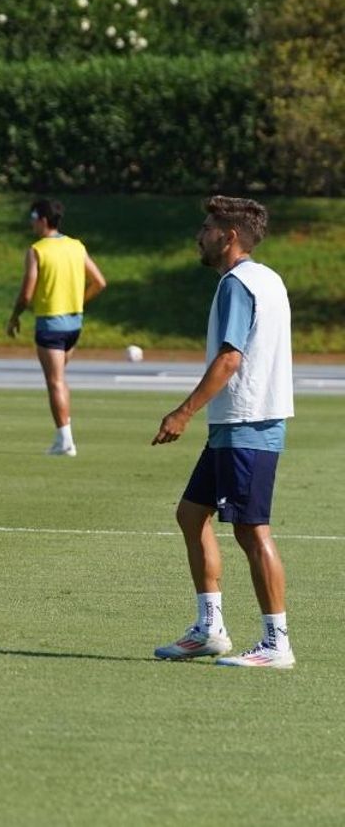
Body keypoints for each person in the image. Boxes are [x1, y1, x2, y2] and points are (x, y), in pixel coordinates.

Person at [151, 196, 295, 669]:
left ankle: (277, 643)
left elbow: (231, 358)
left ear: (230, 236)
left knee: (253, 532)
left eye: (209, 227)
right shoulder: (268, 277)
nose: (202, 234)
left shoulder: (237, 284)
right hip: (237, 426)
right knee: (192, 515)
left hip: (247, 424)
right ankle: (209, 629)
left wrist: (183, 412)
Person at [5, 199, 106, 456]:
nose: (30, 222)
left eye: (32, 217)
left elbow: (26, 294)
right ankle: (65, 435)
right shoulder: (76, 246)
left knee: (55, 382)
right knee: (60, 379)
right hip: (74, 324)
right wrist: (76, 302)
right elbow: (99, 282)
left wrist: (15, 316)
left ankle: (65, 441)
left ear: (42, 219)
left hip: (50, 323)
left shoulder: (37, 250)